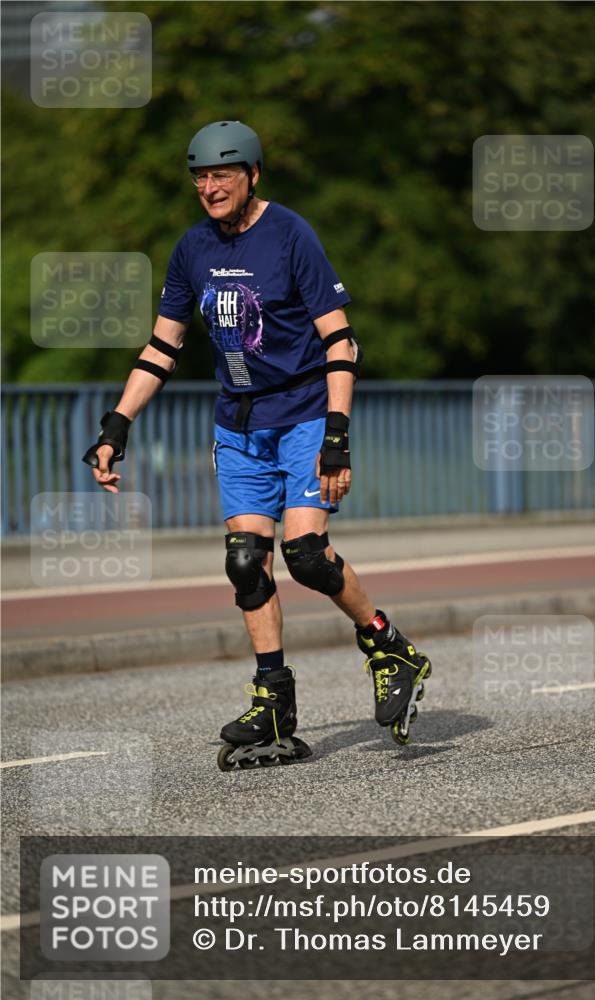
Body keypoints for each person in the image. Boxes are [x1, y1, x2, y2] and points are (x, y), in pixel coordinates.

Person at [83, 120, 431, 770]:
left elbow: (340, 340)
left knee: (304, 556)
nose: (209, 187)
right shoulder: (191, 249)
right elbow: (163, 347)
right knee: (246, 561)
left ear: (252, 175)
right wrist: (117, 424)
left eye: (222, 174)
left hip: (302, 414)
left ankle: (388, 646)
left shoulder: (290, 235)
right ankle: (273, 697)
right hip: (237, 426)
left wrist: (336, 433)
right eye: (200, 177)